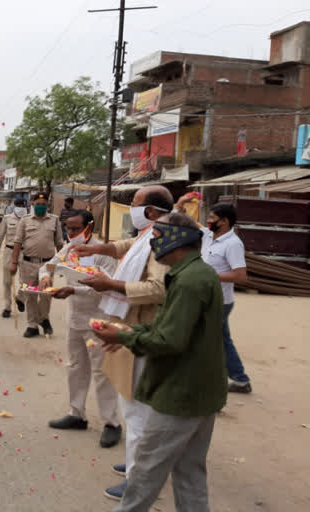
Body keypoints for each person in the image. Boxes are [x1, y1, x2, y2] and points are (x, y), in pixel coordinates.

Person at [92, 212, 227, 512]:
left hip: (181, 392)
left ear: (175, 239)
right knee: (189, 473)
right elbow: (172, 329)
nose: (152, 248)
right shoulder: (195, 274)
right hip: (200, 392)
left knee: (144, 475)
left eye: (156, 239)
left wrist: (126, 338)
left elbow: (170, 341)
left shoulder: (190, 281)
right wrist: (128, 332)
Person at [73, 185, 172, 501]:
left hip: (145, 329)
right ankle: (136, 466)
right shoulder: (149, 235)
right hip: (135, 326)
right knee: (134, 404)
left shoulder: (162, 239)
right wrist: (95, 251)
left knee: (137, 409)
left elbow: (158, 288)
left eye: (136, 204)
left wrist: (110, 284)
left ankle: (139, 481)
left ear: (153, 212)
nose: (131, 208)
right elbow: (125, 246)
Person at [39, 210, 122, 448]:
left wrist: (74, 290)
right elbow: (49, 267)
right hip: (75, 318)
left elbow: (108, 286)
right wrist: (46, 277)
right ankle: (77, 414)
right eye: (68, 228)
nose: (71, 233)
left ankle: (112, 422)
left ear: (89, 227)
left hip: (98, 319)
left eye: (76, 229)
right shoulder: (68, 249)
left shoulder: (103, 252)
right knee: (75, 366)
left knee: (102, 371)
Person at [176, 198, 252, 394]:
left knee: (210, 339)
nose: (208, 220)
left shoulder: (233, 244)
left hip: (220, 301)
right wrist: (180, 205)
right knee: (219, 339)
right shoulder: (209, 234)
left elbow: (241, 276)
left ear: (224, 221)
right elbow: (185, 224)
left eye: (212, 217)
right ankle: (239, 379)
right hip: (204, 297)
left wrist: (209, 276)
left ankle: (221, 381)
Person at [9, 192, 64, 338]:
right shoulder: (25, 221)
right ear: (33, 204)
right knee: (30, 295)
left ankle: (44, 319)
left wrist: (64, 264)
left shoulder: (54, 220)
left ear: (47, 205)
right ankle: (32, 325)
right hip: (28, 262)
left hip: (49, 263)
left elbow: (59, 243)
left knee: (47, 294)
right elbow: (17, 242)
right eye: (38, 204)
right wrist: (14, 263)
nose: (41, 206)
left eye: (43, 204)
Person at [0, 198, 28, 318]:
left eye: (22, 205)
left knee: (26, 281)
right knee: (7, 281)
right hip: (10, 251)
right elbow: (0, 236)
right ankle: (7, 307)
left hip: (26, 253)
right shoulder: (7, 218)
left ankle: (20, 298)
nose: (20, 207)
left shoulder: (30, 219)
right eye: (18, 205)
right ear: (14, 206)